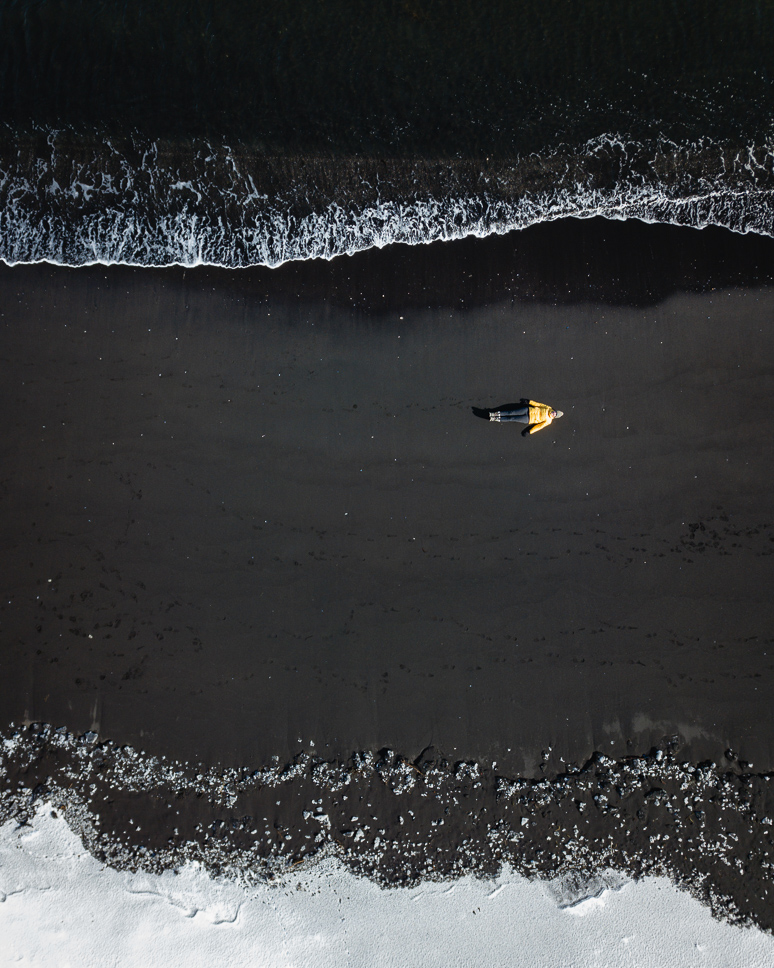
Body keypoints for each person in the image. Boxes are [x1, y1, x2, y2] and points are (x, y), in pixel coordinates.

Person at [489, 400, 564, 434]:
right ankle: (495, 414)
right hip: (527, 410)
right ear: (554, 410)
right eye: (555, 412)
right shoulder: (548, 408)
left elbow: (539, 426)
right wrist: (529, 402)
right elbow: (539, 404)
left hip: (528, 419)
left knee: (512, 418)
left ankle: (496, 419)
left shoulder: (548, 421)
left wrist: (530, 431)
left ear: (555, 417)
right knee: (511, 412)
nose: (553, 413)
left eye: (555, 414)